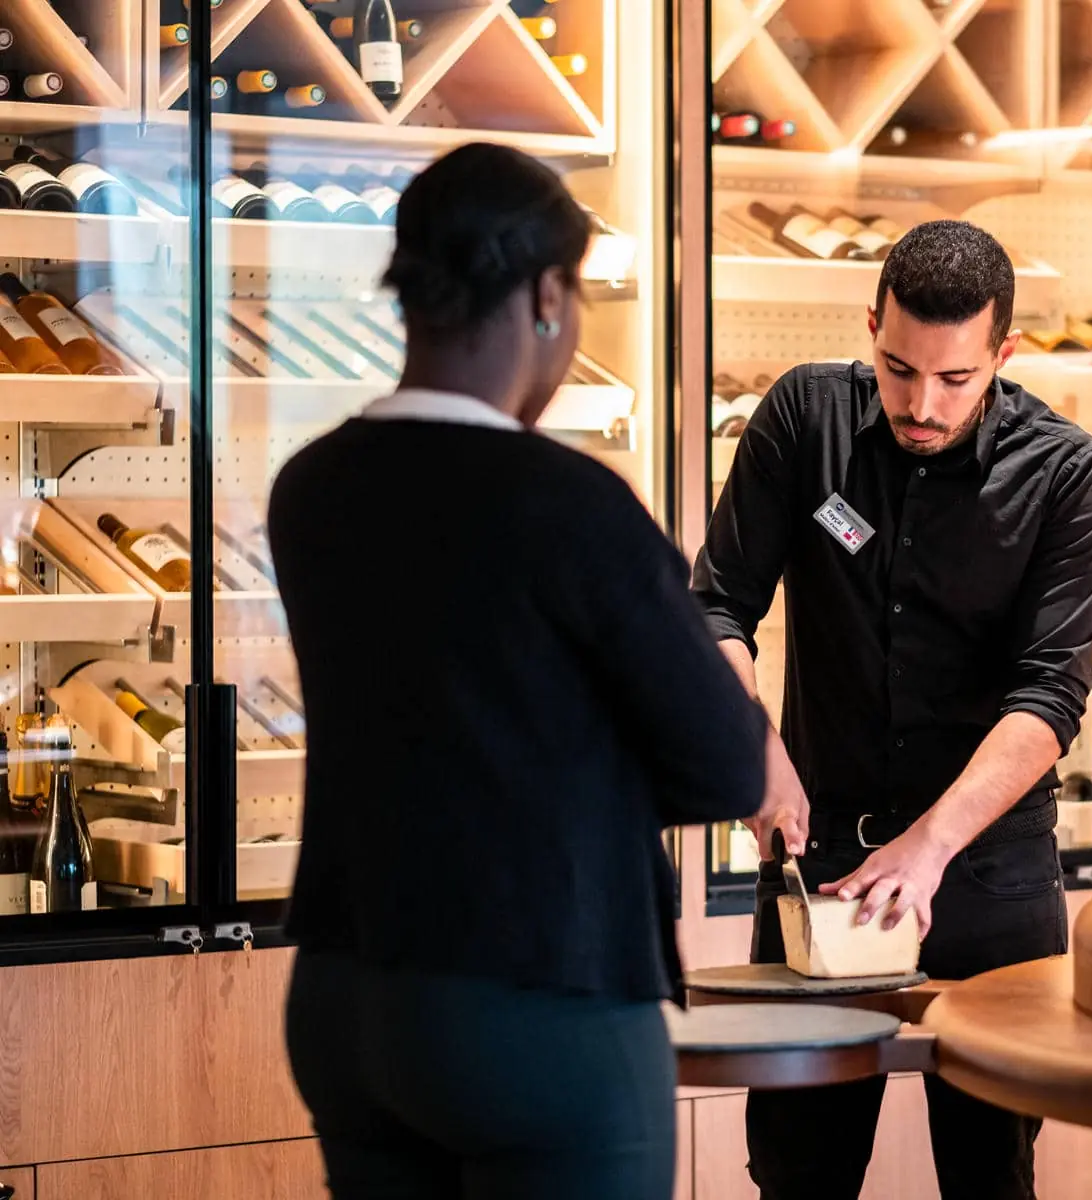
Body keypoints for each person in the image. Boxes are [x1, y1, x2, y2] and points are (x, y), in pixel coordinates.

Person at [268, 142, 767, 1199]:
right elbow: (729, 764)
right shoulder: (569, 503)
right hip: (539, 999)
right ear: (548, 295)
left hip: (346, 999)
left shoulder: (311, 489)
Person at [693, 219, 1092, 1199]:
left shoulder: (1063, 473)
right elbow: (716, 605)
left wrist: (928, 848)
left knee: (990, 1172)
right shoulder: (805, 419)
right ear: (871, 324)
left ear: (1004, 355)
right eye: (897, 369)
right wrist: (753, 750)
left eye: (955, 379)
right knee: (800, 1171)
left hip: (988, 877)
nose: (921, 404)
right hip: (823, 870)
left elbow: (1051, 692)